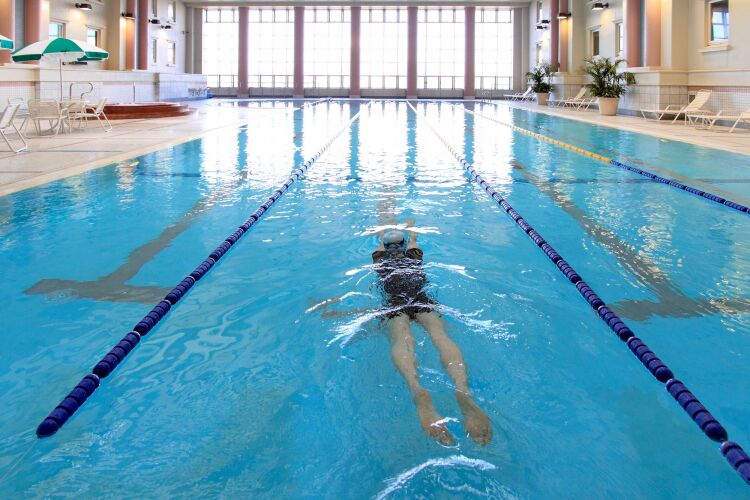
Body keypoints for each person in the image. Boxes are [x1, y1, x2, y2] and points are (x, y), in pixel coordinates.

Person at [371, 220, 493, 446]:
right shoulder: (414, 253)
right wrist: (410, 229)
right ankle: (462, 389)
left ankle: (416, 389)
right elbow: (413, 237)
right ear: (404, 245)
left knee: (401, 338)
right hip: (421, 298)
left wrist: (383, 233)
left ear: (387, 248)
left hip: (394, 302)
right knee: (441, 337)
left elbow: (380, 240)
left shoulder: (379, 258)